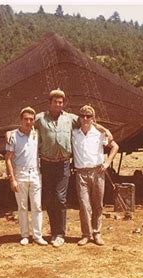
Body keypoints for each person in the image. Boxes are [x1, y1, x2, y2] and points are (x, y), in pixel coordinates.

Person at [33, 88, 112, 248]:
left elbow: (89, 121)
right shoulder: (40, 119)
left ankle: (61, 234)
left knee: (61, 198)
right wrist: (11, 133)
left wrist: (106, 130)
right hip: (47, 163)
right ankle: (54, 231)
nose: (58, 104)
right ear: (50, 102)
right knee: (49, 199)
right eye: (55, 101)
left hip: (63, 164)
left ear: (64, 104)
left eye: (61, 102)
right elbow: (25, 126)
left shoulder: (70, 118)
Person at [72, 105, 119, 246]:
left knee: (98, 204)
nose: (85, 119)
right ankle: (86, 234)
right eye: (83, 116)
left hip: (97, 172)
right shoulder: (74, 133)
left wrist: (107, 163)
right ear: (79, 118)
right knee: (84, 204)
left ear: (93, 118)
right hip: (81, 173)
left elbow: (115, 146)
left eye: (89, 116)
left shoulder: (99, 134)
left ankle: (97, 233)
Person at [5, 107, 48, 246]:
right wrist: (12, 179)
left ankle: (37, 235)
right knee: (22, 206)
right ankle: (24, 235)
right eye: (26, 119)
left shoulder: (36, 134)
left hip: (35, 173)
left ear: (34, 121)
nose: (28, 122)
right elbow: (8, 159)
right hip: (20, 174)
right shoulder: (14, 136)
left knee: (37, 205)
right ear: (21, 120)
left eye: (31, 119)